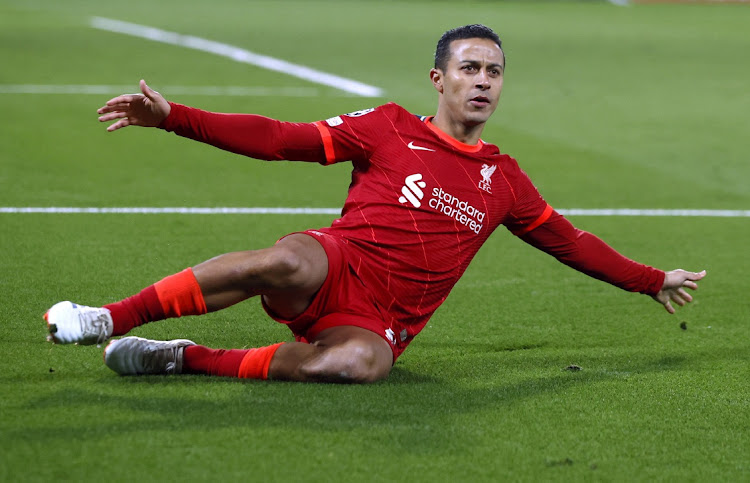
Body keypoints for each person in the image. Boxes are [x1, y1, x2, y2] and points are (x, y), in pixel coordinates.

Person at [45, 24, 706, 384]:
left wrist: (652, 281)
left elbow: (569, 240)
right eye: (469, 68)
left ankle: (180, 357)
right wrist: (174, 118)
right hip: (335, 266)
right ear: (438, 79)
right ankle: (108, 317)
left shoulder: (505, 179)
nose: (482, 81)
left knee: (358, 366)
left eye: (494, 71)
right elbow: (281, 140)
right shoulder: (389, 125)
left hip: (383, 321)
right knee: (287, 260)